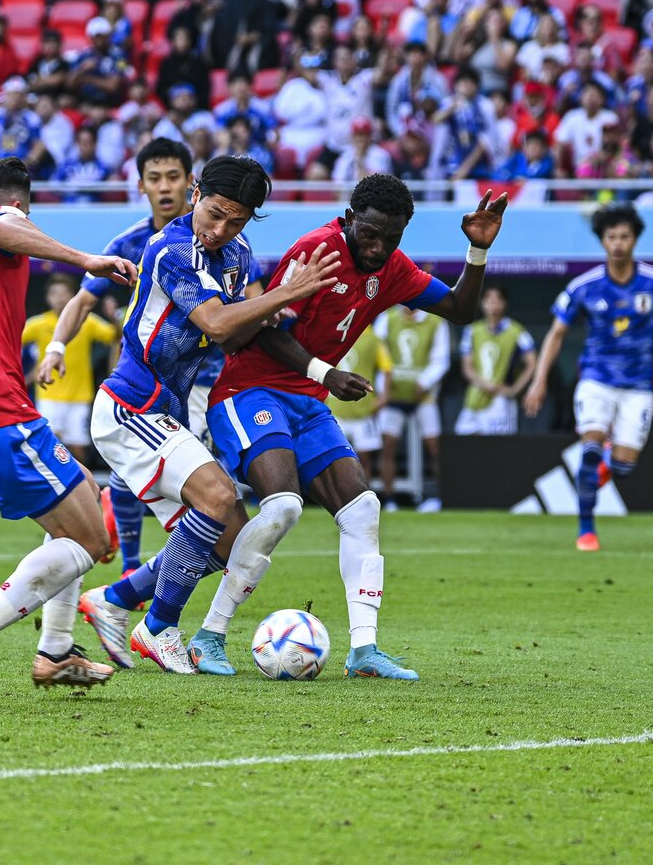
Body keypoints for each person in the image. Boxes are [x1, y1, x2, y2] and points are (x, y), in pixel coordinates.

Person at [85, 176, 507, 678]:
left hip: (306, 401)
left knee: (358, 510)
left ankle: (364, 650)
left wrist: (477, 251)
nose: (377, 248)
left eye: (390, 238)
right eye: (369, 234)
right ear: (349, 219)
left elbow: (459, 309)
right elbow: (258, 334)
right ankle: (207, 634)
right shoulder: (316, 250)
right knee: (279, 506)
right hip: (248, 391)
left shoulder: (389, 266)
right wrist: (324, 372)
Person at [75, 156, 341, 674]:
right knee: (218, 496)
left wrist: (277, 314)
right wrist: (285, 293)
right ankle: (157, 628)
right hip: (130, 403)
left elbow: (236, 334)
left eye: (235, 222)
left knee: (230, 536)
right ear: (196, 193)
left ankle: (113, 599)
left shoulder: (237, 254)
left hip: (166, 413)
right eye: (215, 214)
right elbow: (217, 323)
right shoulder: (170, 248)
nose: (220, 230)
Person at [0, 159, 137, 704]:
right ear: (17, 207)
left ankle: (55, 652)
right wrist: (87, 260)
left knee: (86, 491)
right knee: (91, 539)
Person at [35, 138, 193, 575]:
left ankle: (138, 575)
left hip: (204, 378)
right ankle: (131, 569)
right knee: (134, 472)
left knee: (208, 490)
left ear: (190, 182)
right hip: (144, 377)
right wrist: (55, 347)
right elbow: (83, 301)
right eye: (155, 178)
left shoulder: (214, 239)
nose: (165, 186)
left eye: (173, 177)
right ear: (141, 185)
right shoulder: (129, 243)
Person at [524, 206, 653, 551]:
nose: (618, 244)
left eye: (625, 237)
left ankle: (603, 463)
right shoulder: (585, 286)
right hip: (596, 378)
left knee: (624, 467)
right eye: (611, 237)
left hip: (639, 384)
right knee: (590, 449)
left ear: (635, 240)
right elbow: (556, 333)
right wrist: (539, 380)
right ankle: (586, 530)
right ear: (602, 241)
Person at [22, 274, 116, 468]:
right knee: (48, 444)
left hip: (79, 397)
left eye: (64, 293)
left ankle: (80, 481)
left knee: (78, 448)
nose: (59, 298)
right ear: (47, 297)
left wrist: (113, 317)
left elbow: (113, 336)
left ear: (74, 296)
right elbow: (11, 341)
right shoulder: (38, 324)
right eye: (54, 293)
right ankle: (55, 482)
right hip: (48, 395)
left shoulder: (87, 321)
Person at [375, 300, 451, 513]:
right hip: (393, 395)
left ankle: (438, 497)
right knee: (388, 445)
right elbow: (378, 353)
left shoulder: (436, 321)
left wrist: (425, 382)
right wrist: (383, 388)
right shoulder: (387, 318)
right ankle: (389, 499)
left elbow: (442, 359)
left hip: (424, 396)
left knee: (435, 447)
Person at [455, 285, 536, 437]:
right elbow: (467, 366)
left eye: (497, 299)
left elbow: (532, 363)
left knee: (499, 447)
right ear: (481, 303)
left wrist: (515, 389)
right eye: (488, 299)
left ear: (504, 304)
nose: (493, 304)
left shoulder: (517, 331)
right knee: (461, 441)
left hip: (501, 400)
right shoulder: (472, 331)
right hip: (475, 397)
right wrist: (484, 384)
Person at [326, 325, 392, 479]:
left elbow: (387, 368)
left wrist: (384, 397)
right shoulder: (333, 332)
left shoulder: (373, 339)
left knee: (363, 460)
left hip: (362, 410)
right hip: (336, 410)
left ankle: (363, 492)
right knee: (334, 459)